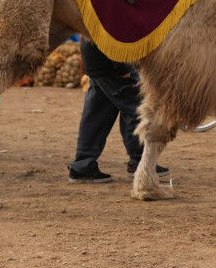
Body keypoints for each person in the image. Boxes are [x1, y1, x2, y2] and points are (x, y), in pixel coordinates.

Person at [68, 40, 169, 182]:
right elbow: (112, 30)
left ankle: (83, 166)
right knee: (137, 109)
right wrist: (123, 66)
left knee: (97, 115)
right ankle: (140, 162)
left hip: (96, 59)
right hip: (112, 61)